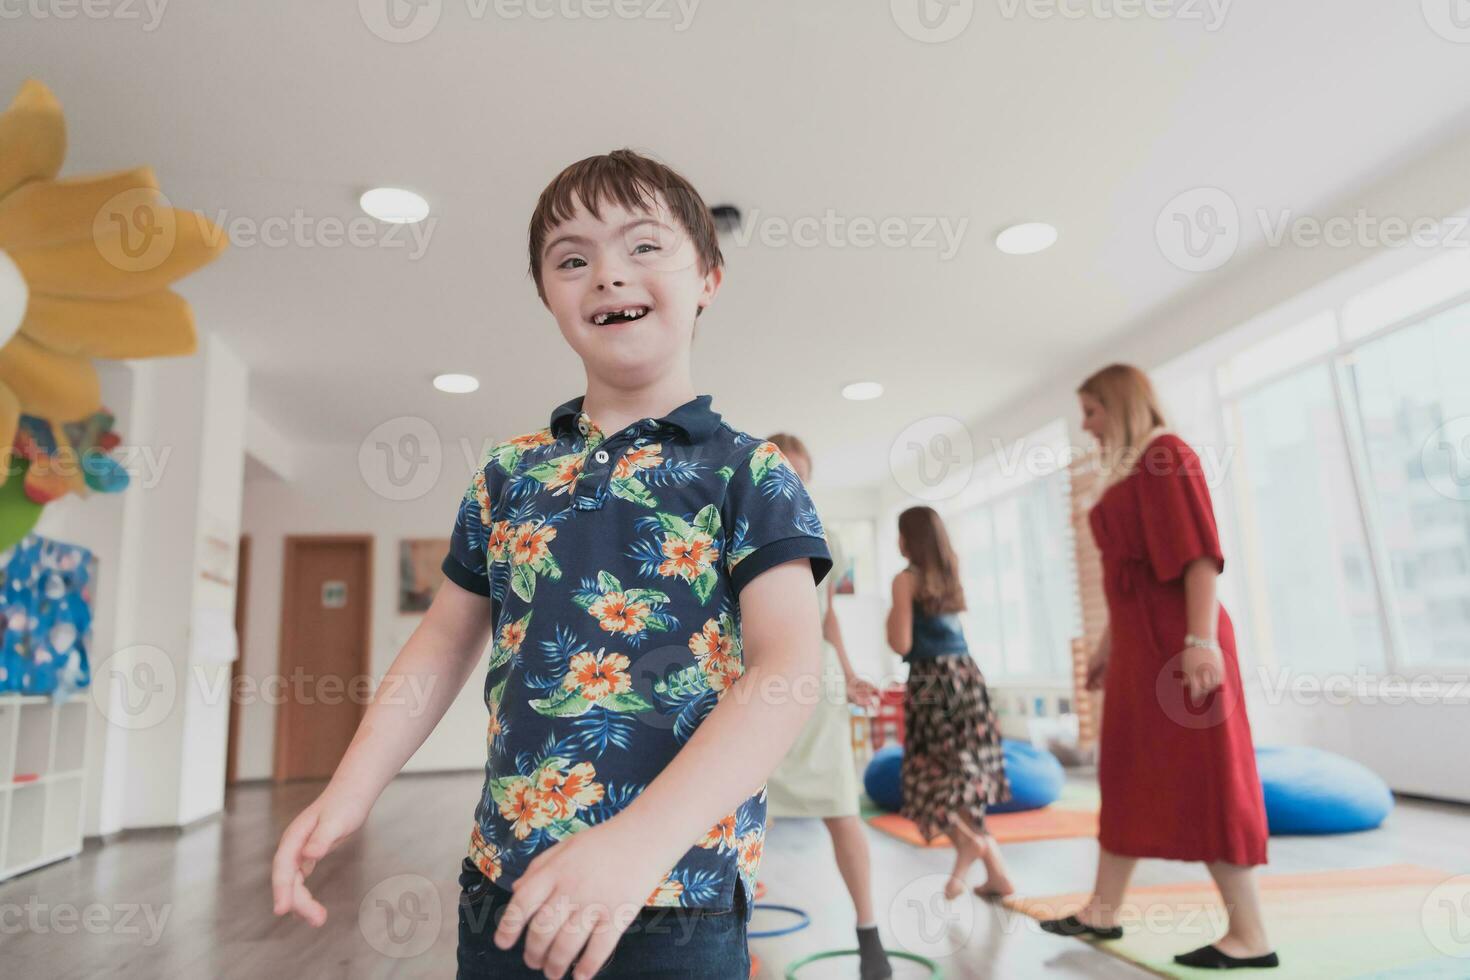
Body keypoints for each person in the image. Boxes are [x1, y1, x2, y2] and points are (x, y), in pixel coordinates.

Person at [270, 149, 834, 980]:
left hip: (679, 892)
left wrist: (636, 844)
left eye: (644, 247)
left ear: (710, 277)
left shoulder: (751, 474)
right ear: (549, 299)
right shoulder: (508, 473)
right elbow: (441, 644)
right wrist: (350, 789)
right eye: (573, 259)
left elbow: (789, 672)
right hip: (507, 884)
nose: (608, 275)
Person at [1041, 363, 1278, 971]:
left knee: (1207, 776)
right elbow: (1128, 581)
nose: (1086, 424)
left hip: (1181, 644)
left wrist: (1201, 641)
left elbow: (1199, 555)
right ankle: (1103, 909)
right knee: (1123, 773)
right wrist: (1103, 651)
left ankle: (1250, 935)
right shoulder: (1126, 469)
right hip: (1137, 650)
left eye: (1092, 410)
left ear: (1120, 404)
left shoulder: (1165, 454)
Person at [763, 432, 893, 980]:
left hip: (817, 678)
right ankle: (720, 919)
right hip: (759, 679)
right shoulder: (738, 524)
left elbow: (827, 615)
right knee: (737, 802)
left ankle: (869, 936)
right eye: (780, 469)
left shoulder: (828, 536)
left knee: (841, 804)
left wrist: (854, 669)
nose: (790, 479)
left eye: (799, 471)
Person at [885, 505, 1013, 902]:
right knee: (964, 780)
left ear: (908, 539)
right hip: (968, 681)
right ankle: (998, 876)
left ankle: (969, 846)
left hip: (931, 685)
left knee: (928, 779)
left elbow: (901, 643)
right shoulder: (949, 576)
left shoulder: (905, 580)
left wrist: (890, 615)